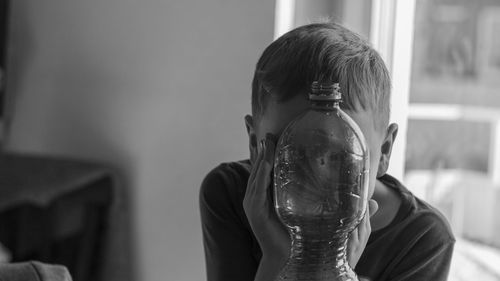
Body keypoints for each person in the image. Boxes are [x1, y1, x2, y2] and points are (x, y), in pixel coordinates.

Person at [199, 22, 455, 281]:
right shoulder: (228, 193)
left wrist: (333, 270)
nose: (317, 176)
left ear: (384, 151)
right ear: (256, 144)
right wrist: (278, 257)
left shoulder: (422, 239)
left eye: (340, 155)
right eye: (292, 154)